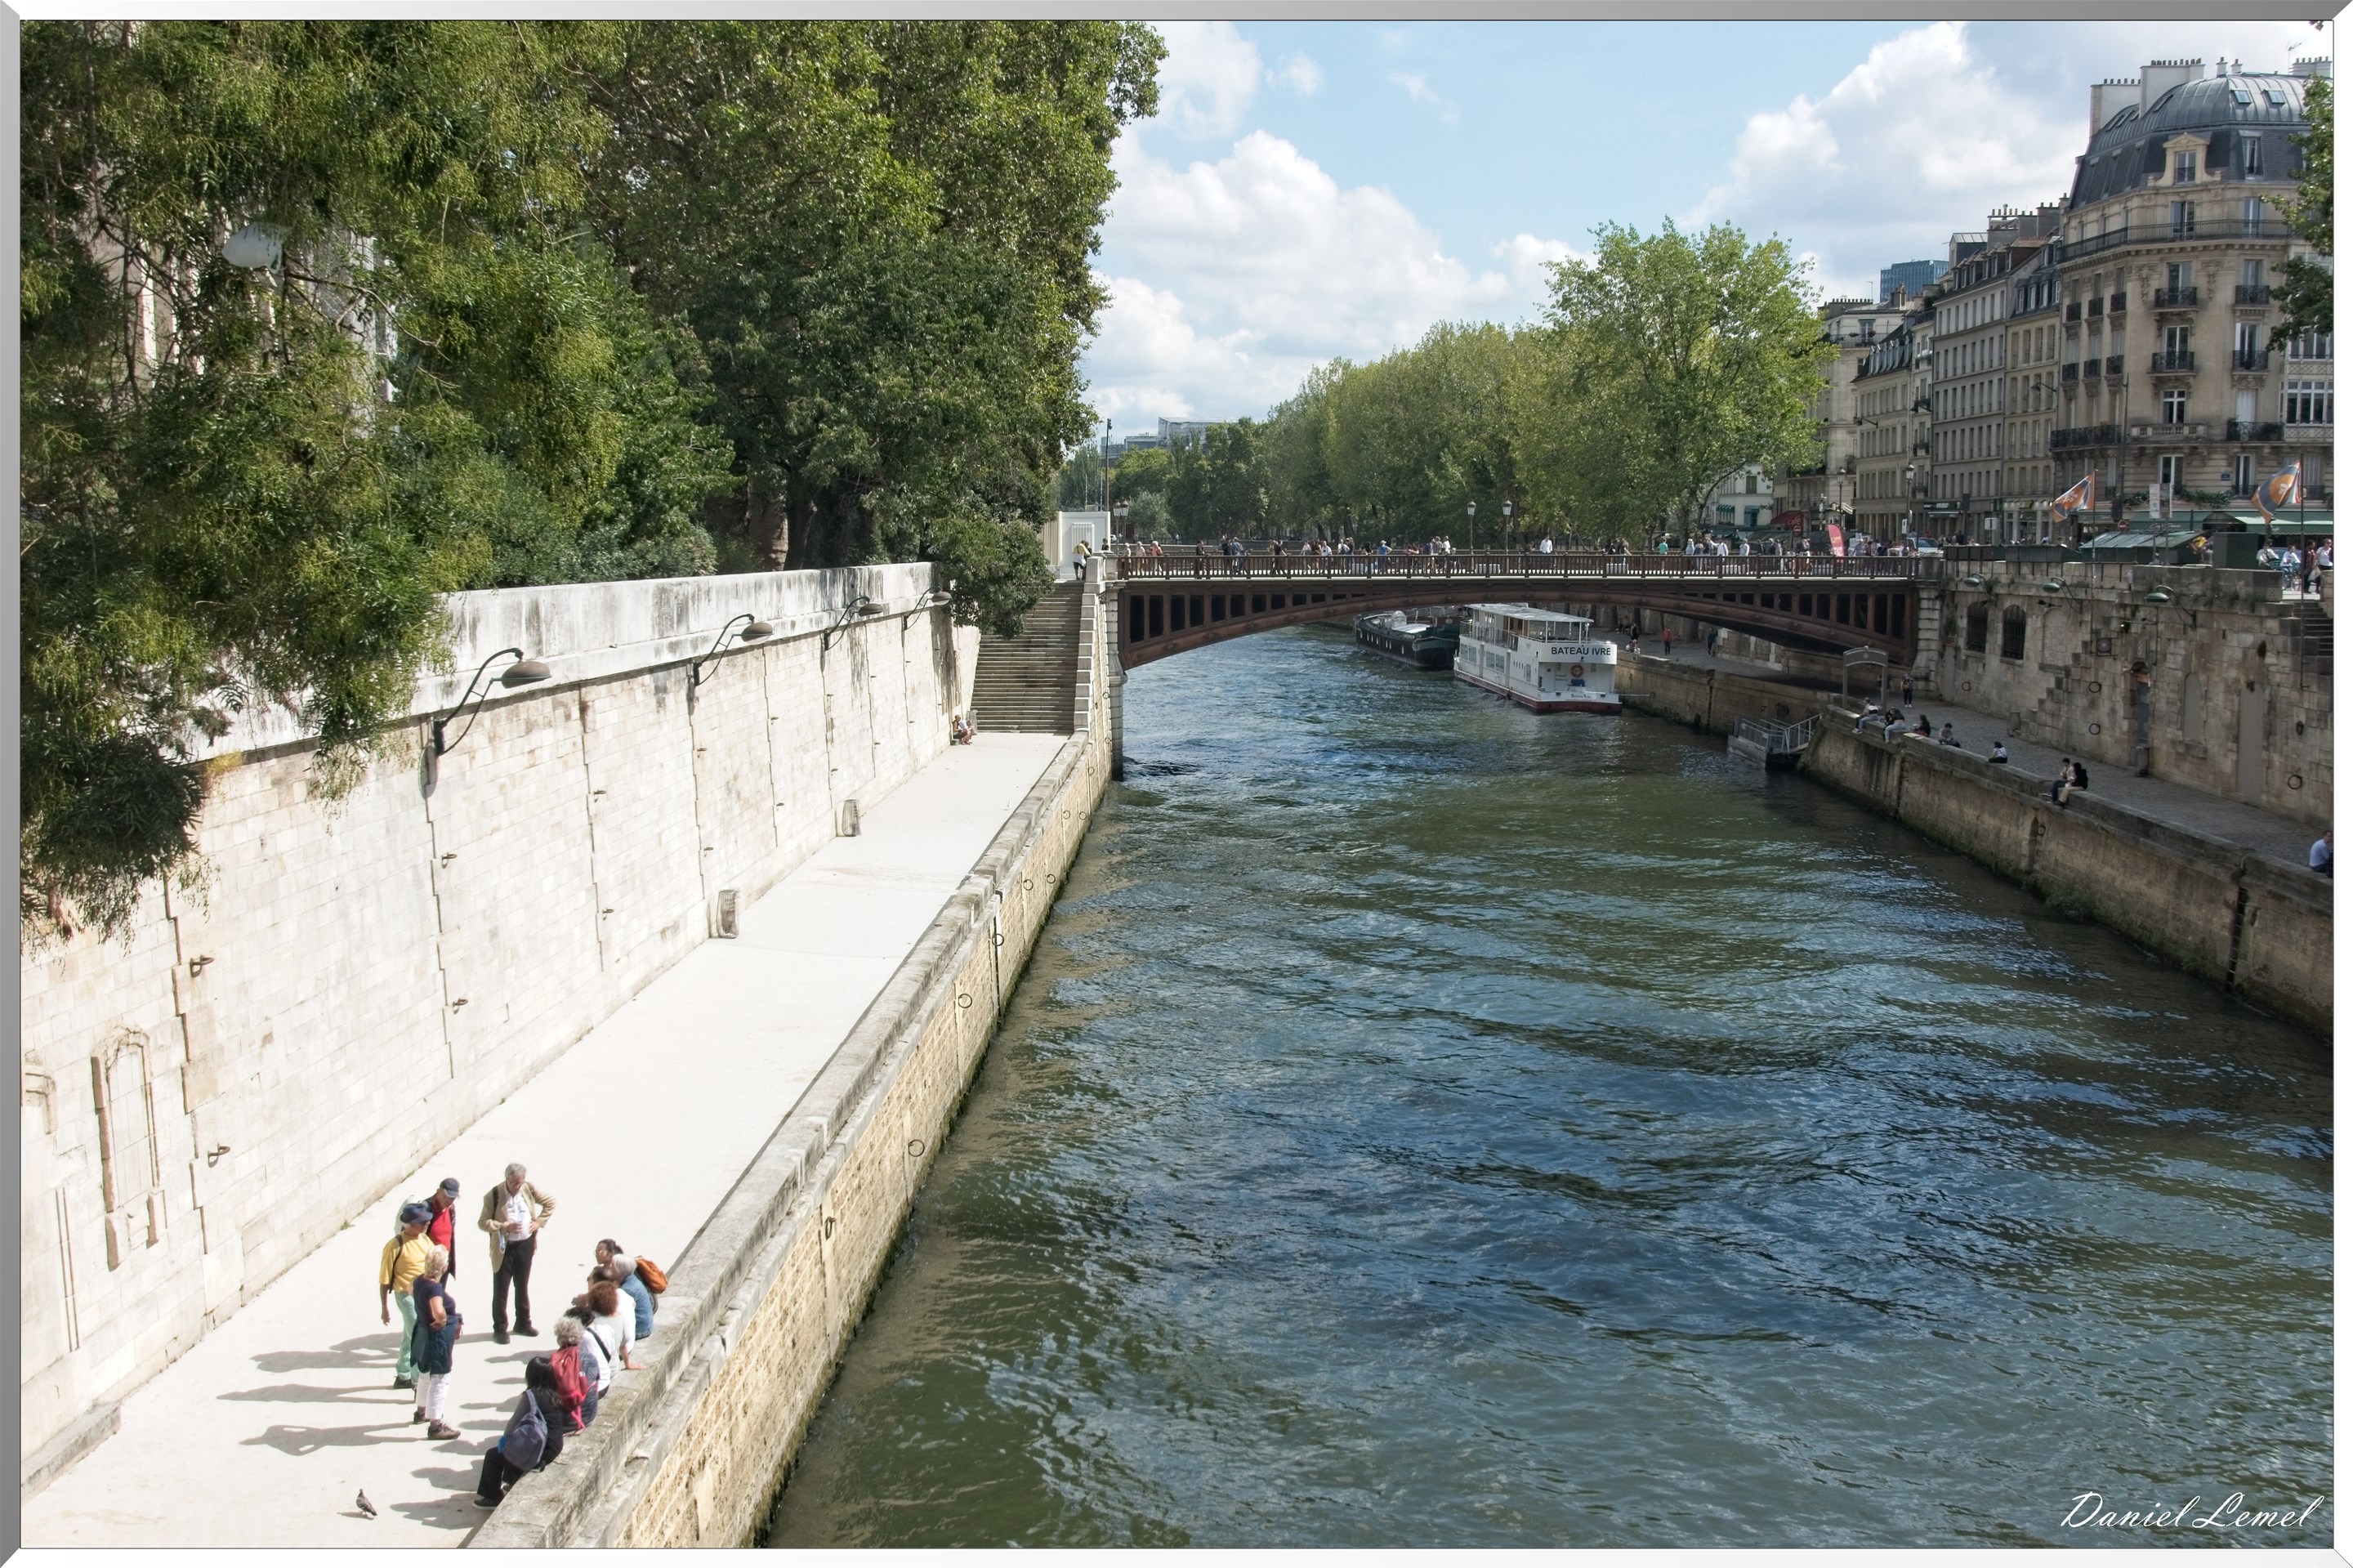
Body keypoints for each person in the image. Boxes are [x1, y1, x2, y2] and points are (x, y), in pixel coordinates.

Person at [473, 1357, 567, 1510]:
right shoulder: (554, 1395)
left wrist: (503, 1444)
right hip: (553, 1449)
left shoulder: (531, 1396)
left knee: (494, 1455)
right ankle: (513, 1481)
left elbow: (512, 1425)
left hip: (539, 1454)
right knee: (519, 1443)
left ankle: (492, 1497)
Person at [480, 1164, 556, 1345]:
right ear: (507, 1179)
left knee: (522, 1285)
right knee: (501, 1289)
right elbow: (483, 1222)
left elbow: (550, 1202)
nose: (517, 1186)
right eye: (514, 1183)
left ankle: (523, 1322)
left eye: (519, 1183)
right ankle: (500, 1328)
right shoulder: (494, 1195)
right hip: (504, 1248)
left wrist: (539, 1223)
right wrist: (503, 1226)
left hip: (525, 1244)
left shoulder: (527, 1188)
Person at [411, 1244, 463, 1440]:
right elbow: (438, 1310)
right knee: (440, 1379)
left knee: (425, 1374)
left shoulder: (419, 1280)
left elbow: (410, 1291)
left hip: (423, 1334)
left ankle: (421, 1412)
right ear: (443, 1267)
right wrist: (441, 1319)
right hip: (437, 1338)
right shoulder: (434, 1288)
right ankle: (436, 1425)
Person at [380, 1204, 435, 1390]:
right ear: (410, 1224)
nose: (427, 1223)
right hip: (406, 1297)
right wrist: (384, 1308)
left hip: (423, 1295)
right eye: (422, 1222)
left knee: (409, 1334)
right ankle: (417, 1382)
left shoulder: (425, 1240)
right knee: (418, 1338)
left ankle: (403, 1374)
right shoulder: (395, 1245)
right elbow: (385, 1277)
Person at [597, 1240, 658, 1342]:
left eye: (612, 1267)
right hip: (646, 1324)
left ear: (620, 1271)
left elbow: (618, 1315)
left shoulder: (626, 1290)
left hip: (641, 1329)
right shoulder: (631, 1280)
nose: (609, 1268)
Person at [582, 1278, 642, 1373]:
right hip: (614, 1369)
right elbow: (623, 1347)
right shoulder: (621, 1318)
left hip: (595, 1372)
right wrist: (628, 1365)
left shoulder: (589, 1319)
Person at [546, 1320, 589, 1432]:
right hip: (587, 1415)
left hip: (562, 1420)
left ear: (559, 1339)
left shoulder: (552, 1360)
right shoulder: (588, 1358)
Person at [426, 1178, 461, 1281]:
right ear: (438, 1191)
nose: (449, 1201)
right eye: (446, 1197)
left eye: (453, 1198)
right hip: (429, 1267)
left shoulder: (451, 1208)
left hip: (444, 1263)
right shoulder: (426, 1209)